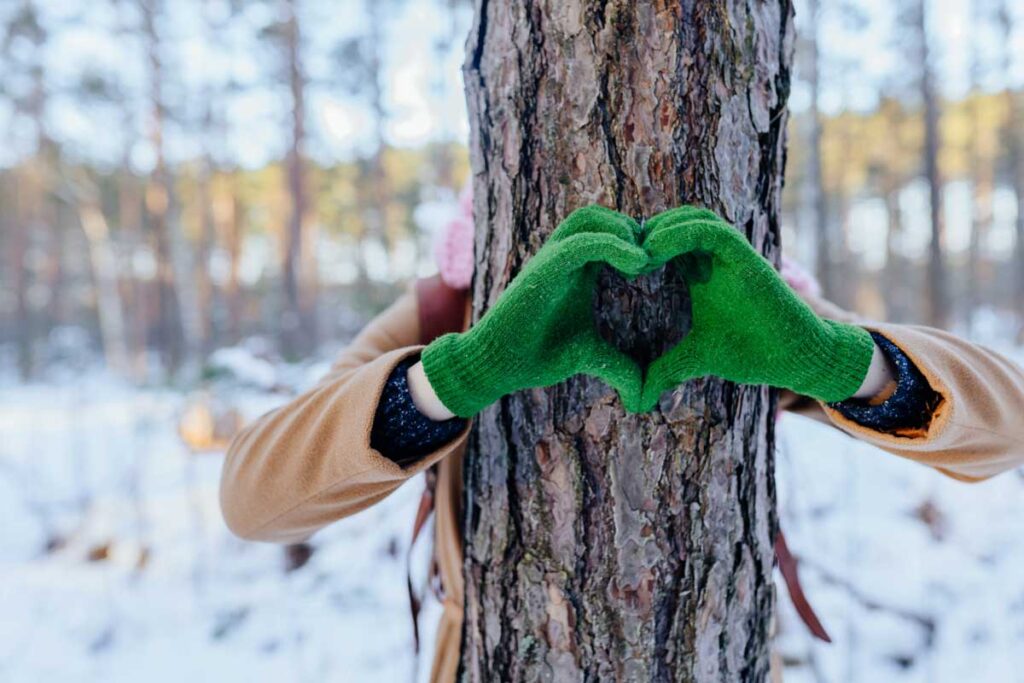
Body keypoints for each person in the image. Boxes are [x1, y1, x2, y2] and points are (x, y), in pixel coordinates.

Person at [220, 202, 1024, 683]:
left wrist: (835, 359)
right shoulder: (450, 305)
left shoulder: (741, 299)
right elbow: (253, 498)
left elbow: (1006, 424)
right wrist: (457, 372)